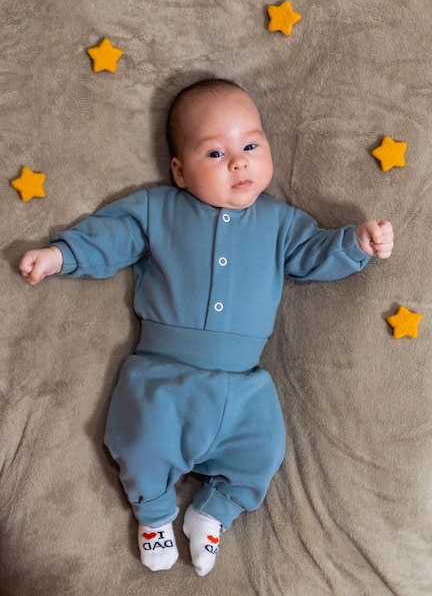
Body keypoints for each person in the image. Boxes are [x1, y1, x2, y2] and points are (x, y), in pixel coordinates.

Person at [19, 78, 394, 576]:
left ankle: (212, 512)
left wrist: (356, 245)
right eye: (215, 153)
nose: (238, 161)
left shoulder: (282, 223)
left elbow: (313, 254)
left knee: (264, 451)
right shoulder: (157, 209)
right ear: (179, 170)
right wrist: (60, 255)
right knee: (138, 440)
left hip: (244, 387)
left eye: (251, 146)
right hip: (162, 376)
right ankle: (153, 513)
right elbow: (112, 235)